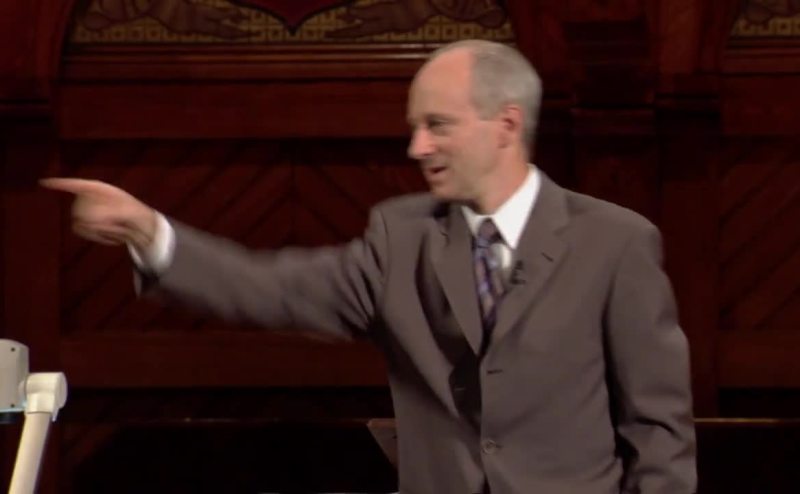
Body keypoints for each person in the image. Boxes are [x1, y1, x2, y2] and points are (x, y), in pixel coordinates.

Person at [43, 39, 696, 494]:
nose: (417, 146)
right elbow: (273, 288)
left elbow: (658, 430)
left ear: (505, 125)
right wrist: (151, 232)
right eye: (415, 127)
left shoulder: (616, 244)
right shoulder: (401, 238)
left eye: (437, 125)